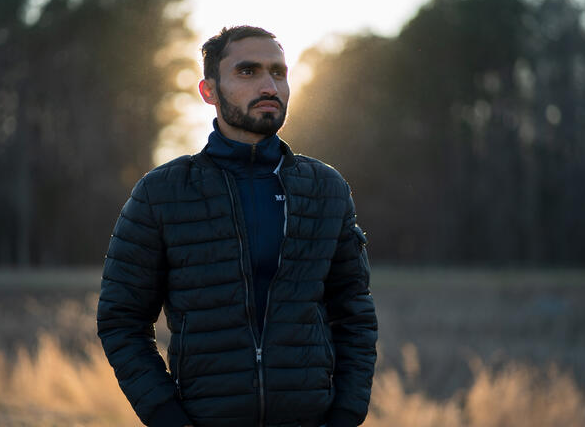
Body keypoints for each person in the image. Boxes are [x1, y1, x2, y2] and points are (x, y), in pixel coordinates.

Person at [97, 26, 377, 427]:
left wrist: (347, 413)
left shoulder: (325, 189)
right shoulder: (161, 193)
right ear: (208, 91)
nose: (269, 85)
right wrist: (167, 417)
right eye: (248, 72)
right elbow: (121, 320)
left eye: (278, 73)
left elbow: (354, 313)